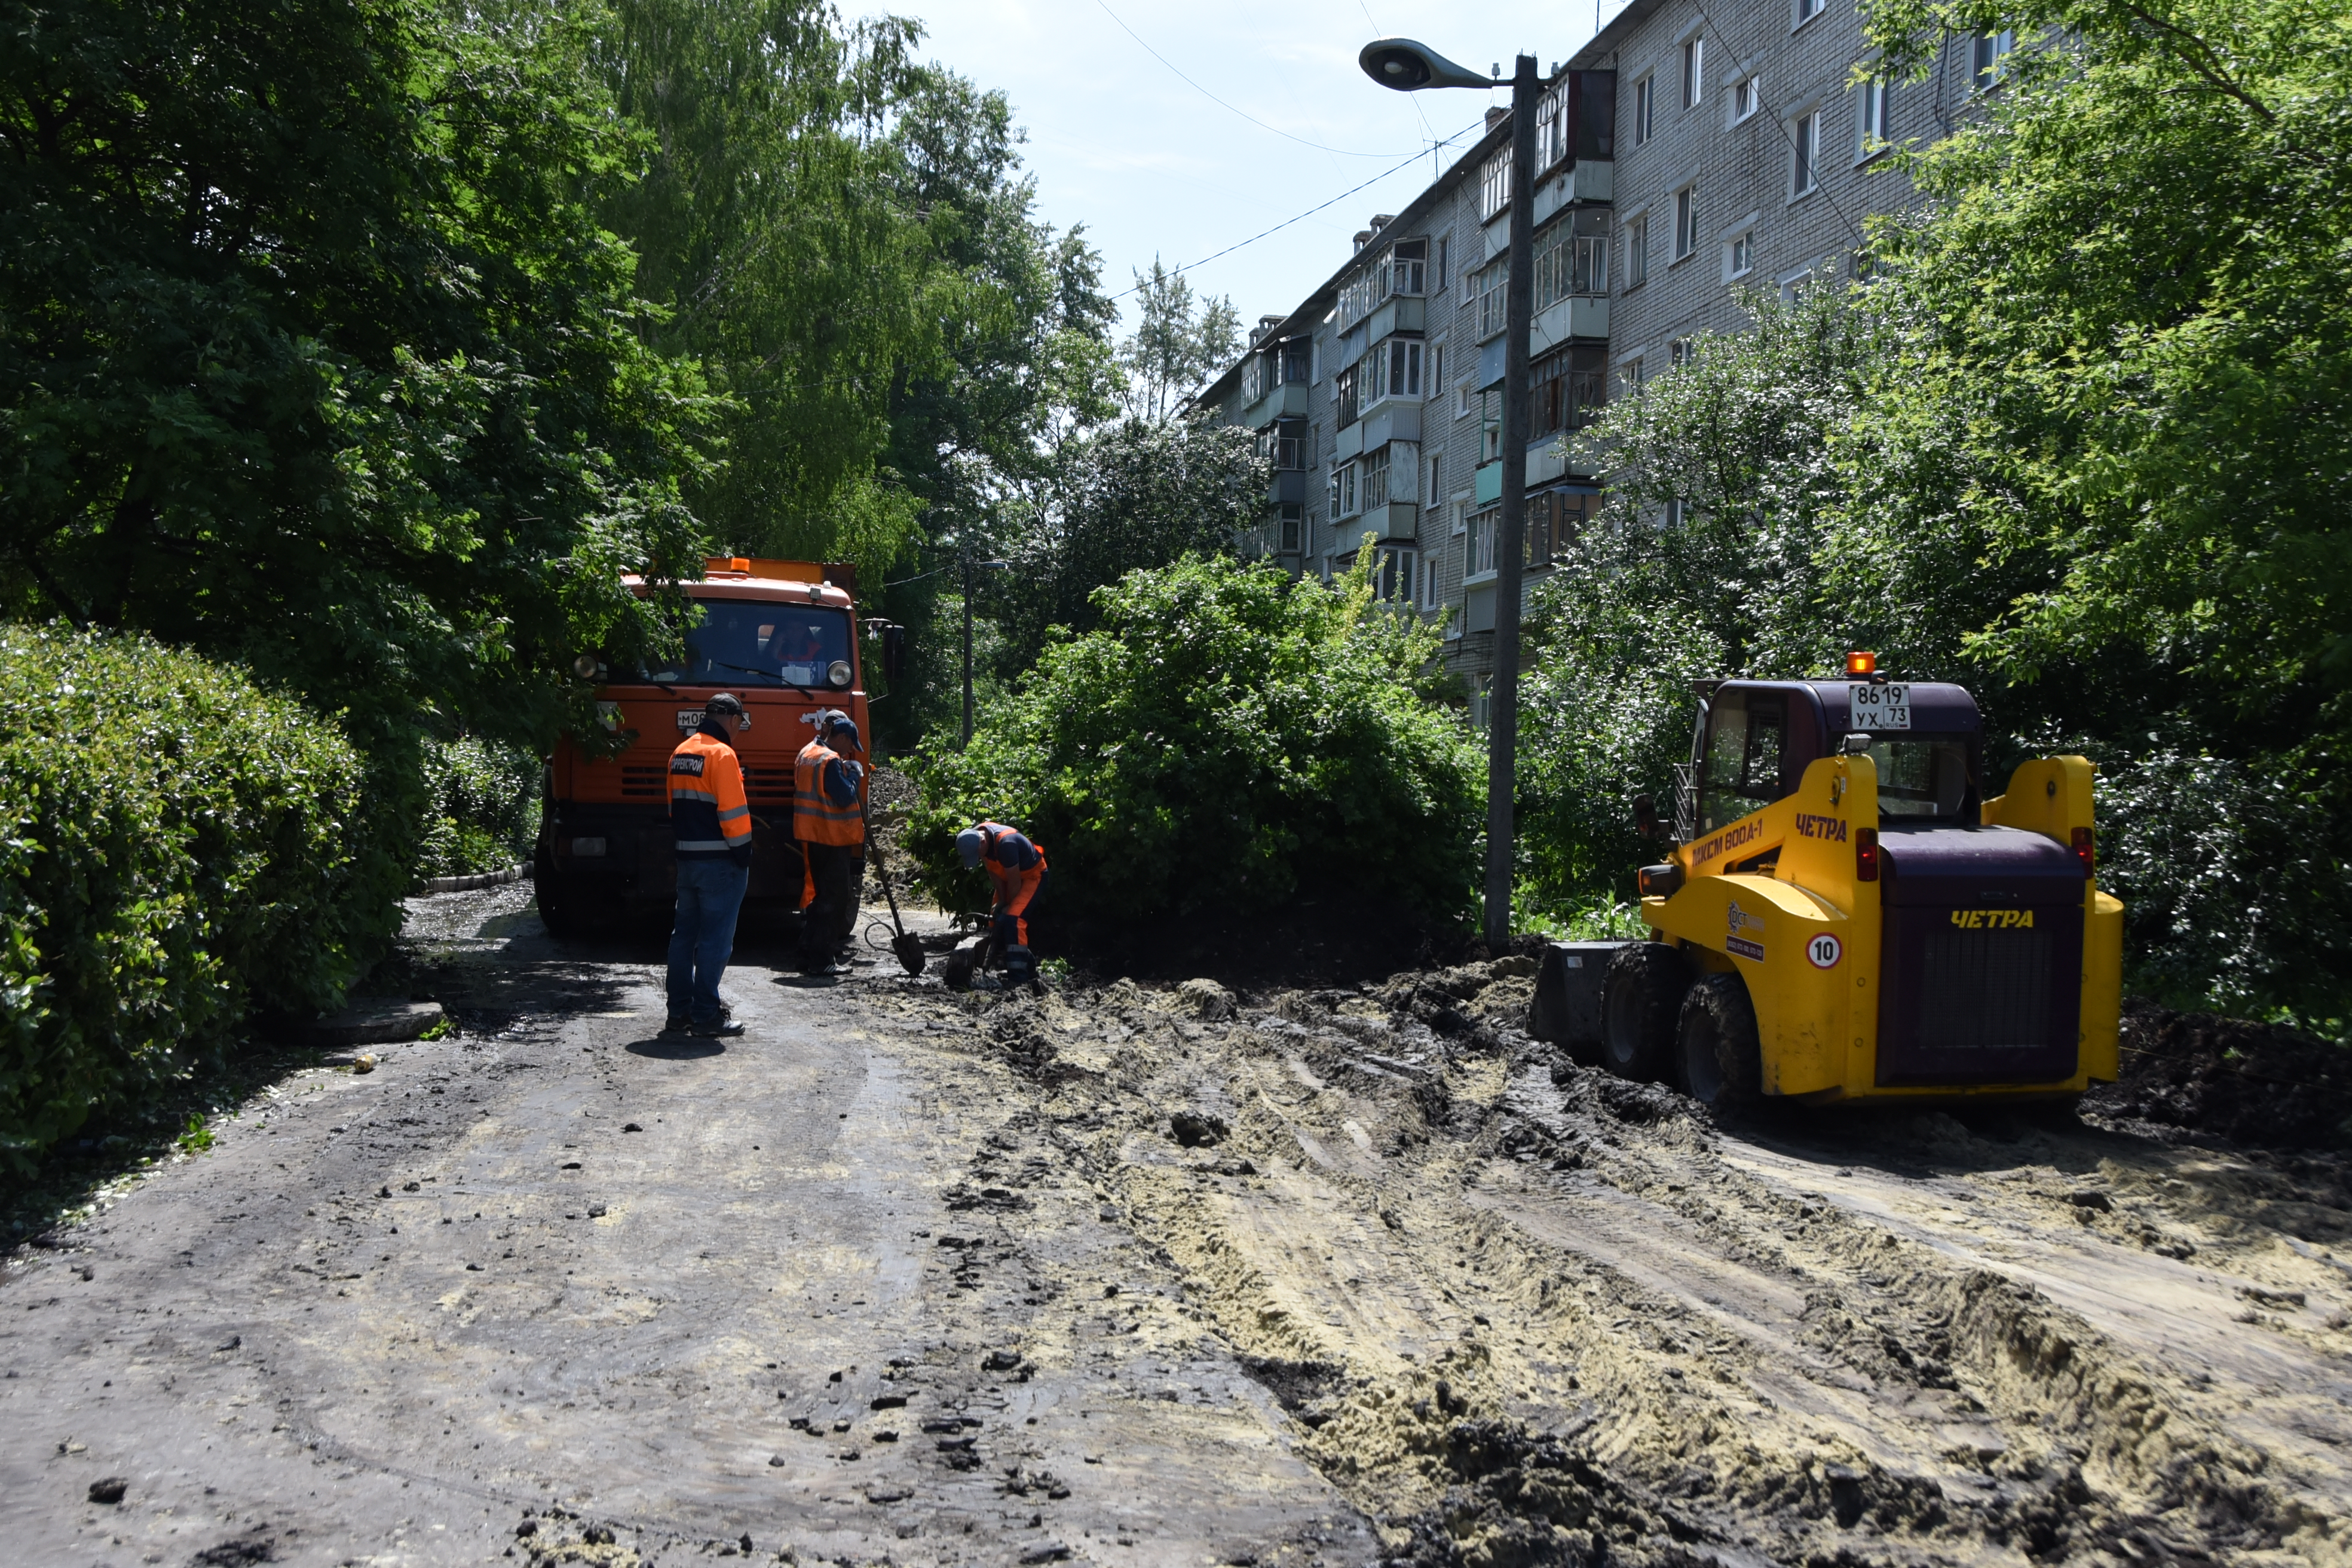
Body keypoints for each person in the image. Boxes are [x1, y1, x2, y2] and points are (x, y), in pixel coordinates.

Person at [666, 693, 754, 1036]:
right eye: (740, 724)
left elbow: (673, 810)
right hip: (720, 862)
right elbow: (733, 815)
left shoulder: (680, 752)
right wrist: (744, 855)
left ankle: (679, 1013)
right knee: (716, 939)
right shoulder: (722, 754)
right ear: (732, 720)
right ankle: (706, 1015)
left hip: (687, 860)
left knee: (683, 937)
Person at [795, 709, 866, 975]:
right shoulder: (830, 760)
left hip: (811, 834)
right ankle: (822, 960)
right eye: (851, 747)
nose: (850, 753)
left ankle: (806, 952)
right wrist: (854, 775)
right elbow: (845, 797)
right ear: (844, 738)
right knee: (833, 900)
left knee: (817, 897)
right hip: (831, 837)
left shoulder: (808, 754)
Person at [956, 820, 1048, 985]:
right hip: (1010, 877)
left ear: (982, 842)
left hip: (1031, 876)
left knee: (1013, 920)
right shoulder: (977, 837)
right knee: (995, 920)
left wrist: (1008, 905)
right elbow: (992, 870)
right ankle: (1020, 965)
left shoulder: (1007, 844)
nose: (979, 858)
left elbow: (1015, 883)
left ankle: (1018, 977)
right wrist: (1002, 901)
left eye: (978, 854)